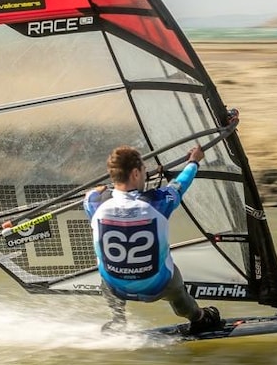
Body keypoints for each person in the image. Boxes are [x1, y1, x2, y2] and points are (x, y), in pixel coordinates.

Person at [84, 143, 223, 335]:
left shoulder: (93, 203)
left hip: (117, 287)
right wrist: (194, 162)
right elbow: (180, 184)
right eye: (143, 170)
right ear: (135, 173)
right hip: (158, 287)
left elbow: (92, 194)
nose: (145, 174)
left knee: (107, 273)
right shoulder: (159, 201)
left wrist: (99, 189)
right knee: (176, 287)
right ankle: (199, 317)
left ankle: (118, 319)